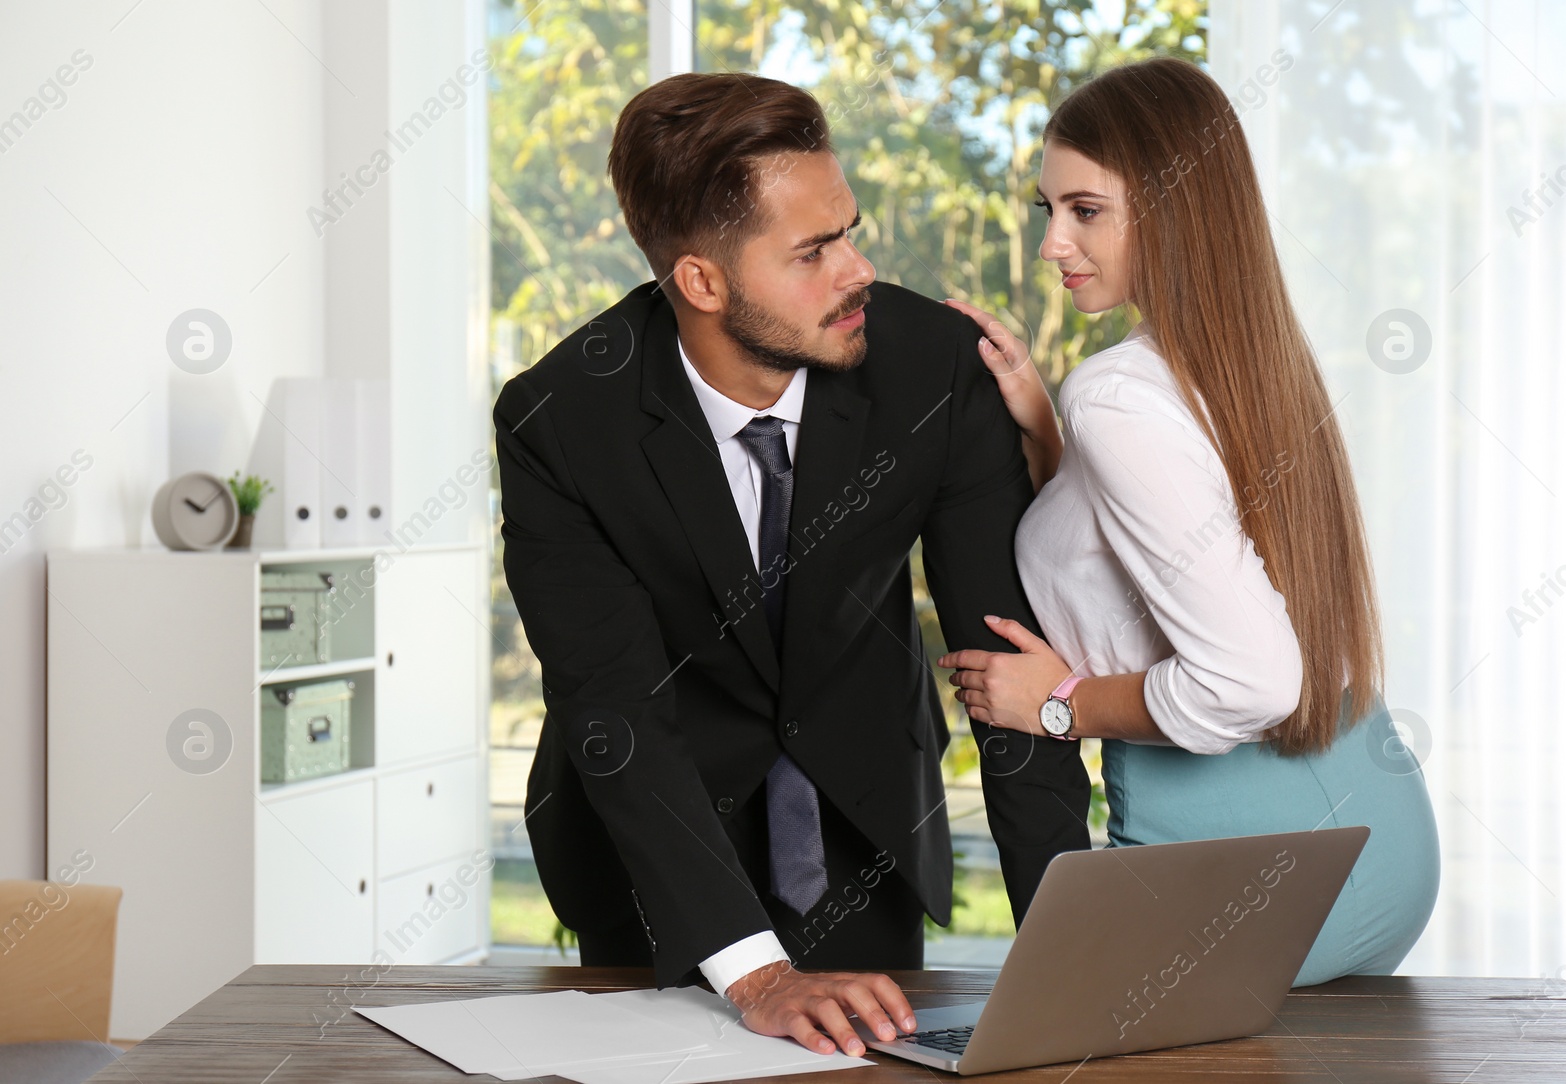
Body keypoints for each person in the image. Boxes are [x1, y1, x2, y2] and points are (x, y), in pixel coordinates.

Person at [493, 72, 1089, 1055]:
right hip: (648, 855)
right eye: (814, 252)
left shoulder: (934, 367)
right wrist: (755, 968)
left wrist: (1070, 960)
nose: (855, 270)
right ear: (701, 282)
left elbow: (1012, 669)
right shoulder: (561, 421)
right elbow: (615, 706)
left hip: (862, 825)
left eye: (848, 230)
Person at [938, 56, 1439, 986]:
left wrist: (1061, 704)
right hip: (1381, 851)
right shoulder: (1249, 359)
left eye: (1085, 211)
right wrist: (1048, 431)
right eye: (1051, 211)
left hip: (1244, 873)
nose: (1053, 242)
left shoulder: (1121, 395)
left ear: (1173, 207)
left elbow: (1253, 680)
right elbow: (1150, 553)